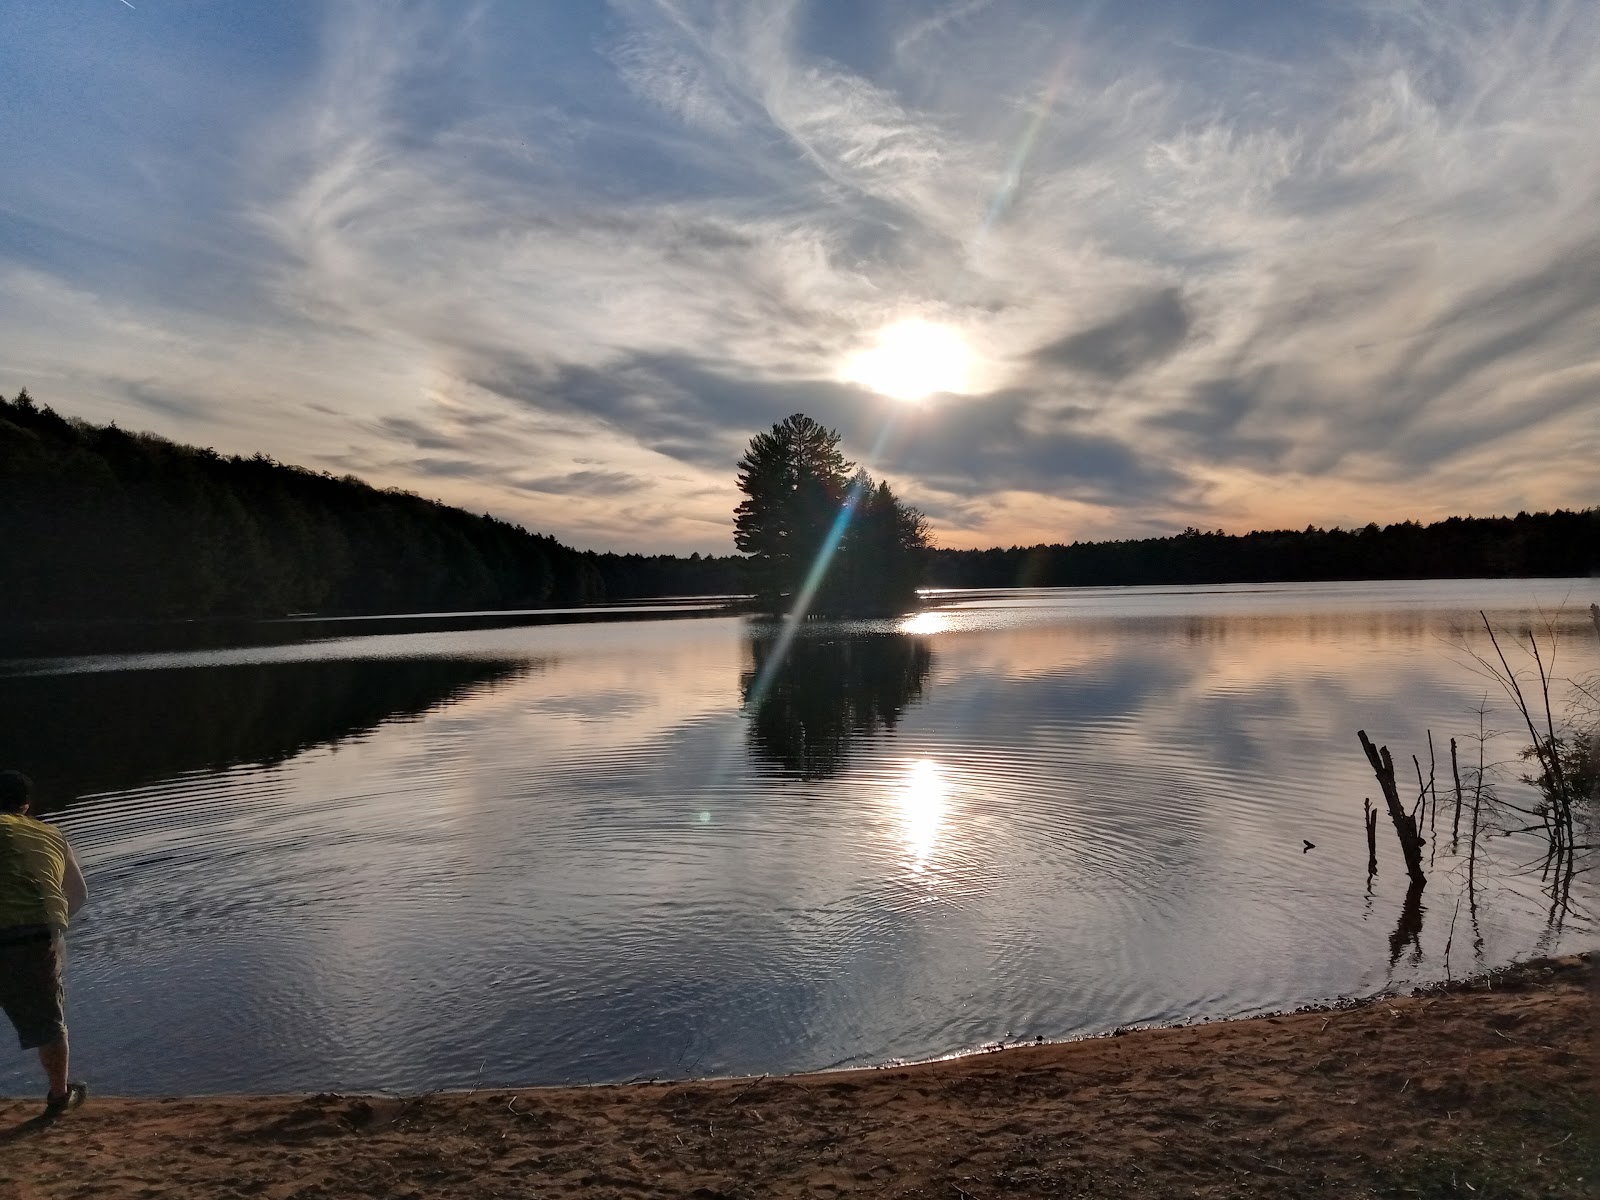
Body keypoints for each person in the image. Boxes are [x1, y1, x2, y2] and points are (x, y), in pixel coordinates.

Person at [0, 770, 89, 1115]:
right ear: (26, 805)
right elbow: (77, 895)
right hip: (36, 938)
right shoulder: (52, 835)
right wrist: (54, 935)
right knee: (50, 1019)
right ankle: (58, 1096)